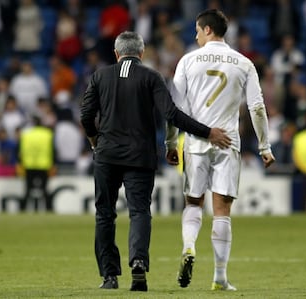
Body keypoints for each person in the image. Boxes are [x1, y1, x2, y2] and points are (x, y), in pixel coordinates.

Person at [79, 31, 231, 292]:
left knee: (105, 214)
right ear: (141, 53)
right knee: (139, 211)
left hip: (107, 155)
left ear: (116, 53)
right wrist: (208, 132)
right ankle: (138, 261)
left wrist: (95, 140)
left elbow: (85, 115)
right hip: (140, 156)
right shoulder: (151, 77)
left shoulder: (100, 76)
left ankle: (109, 276)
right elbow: (171, 114)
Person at [164, 9, 275, 291]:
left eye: (198, 30)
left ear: (208, 30)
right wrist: (264, 146)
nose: (196, 35)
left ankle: (189, 246)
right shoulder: (244, 63)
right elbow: (257, 108)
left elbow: (173, 109)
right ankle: (220, 277)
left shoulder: (188, 60)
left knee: (193, 202)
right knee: (222, 209)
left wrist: (170, 142)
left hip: (196, 143)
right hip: (228, 143)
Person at [19, 115, 55, 212]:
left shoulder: (26, 134)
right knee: (44, 190)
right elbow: (53, 149)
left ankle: (22, 210)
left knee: (28, 190)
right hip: (44, 165)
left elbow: (21, 150)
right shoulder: (47, 134)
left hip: (29, 164)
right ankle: (49, 209)